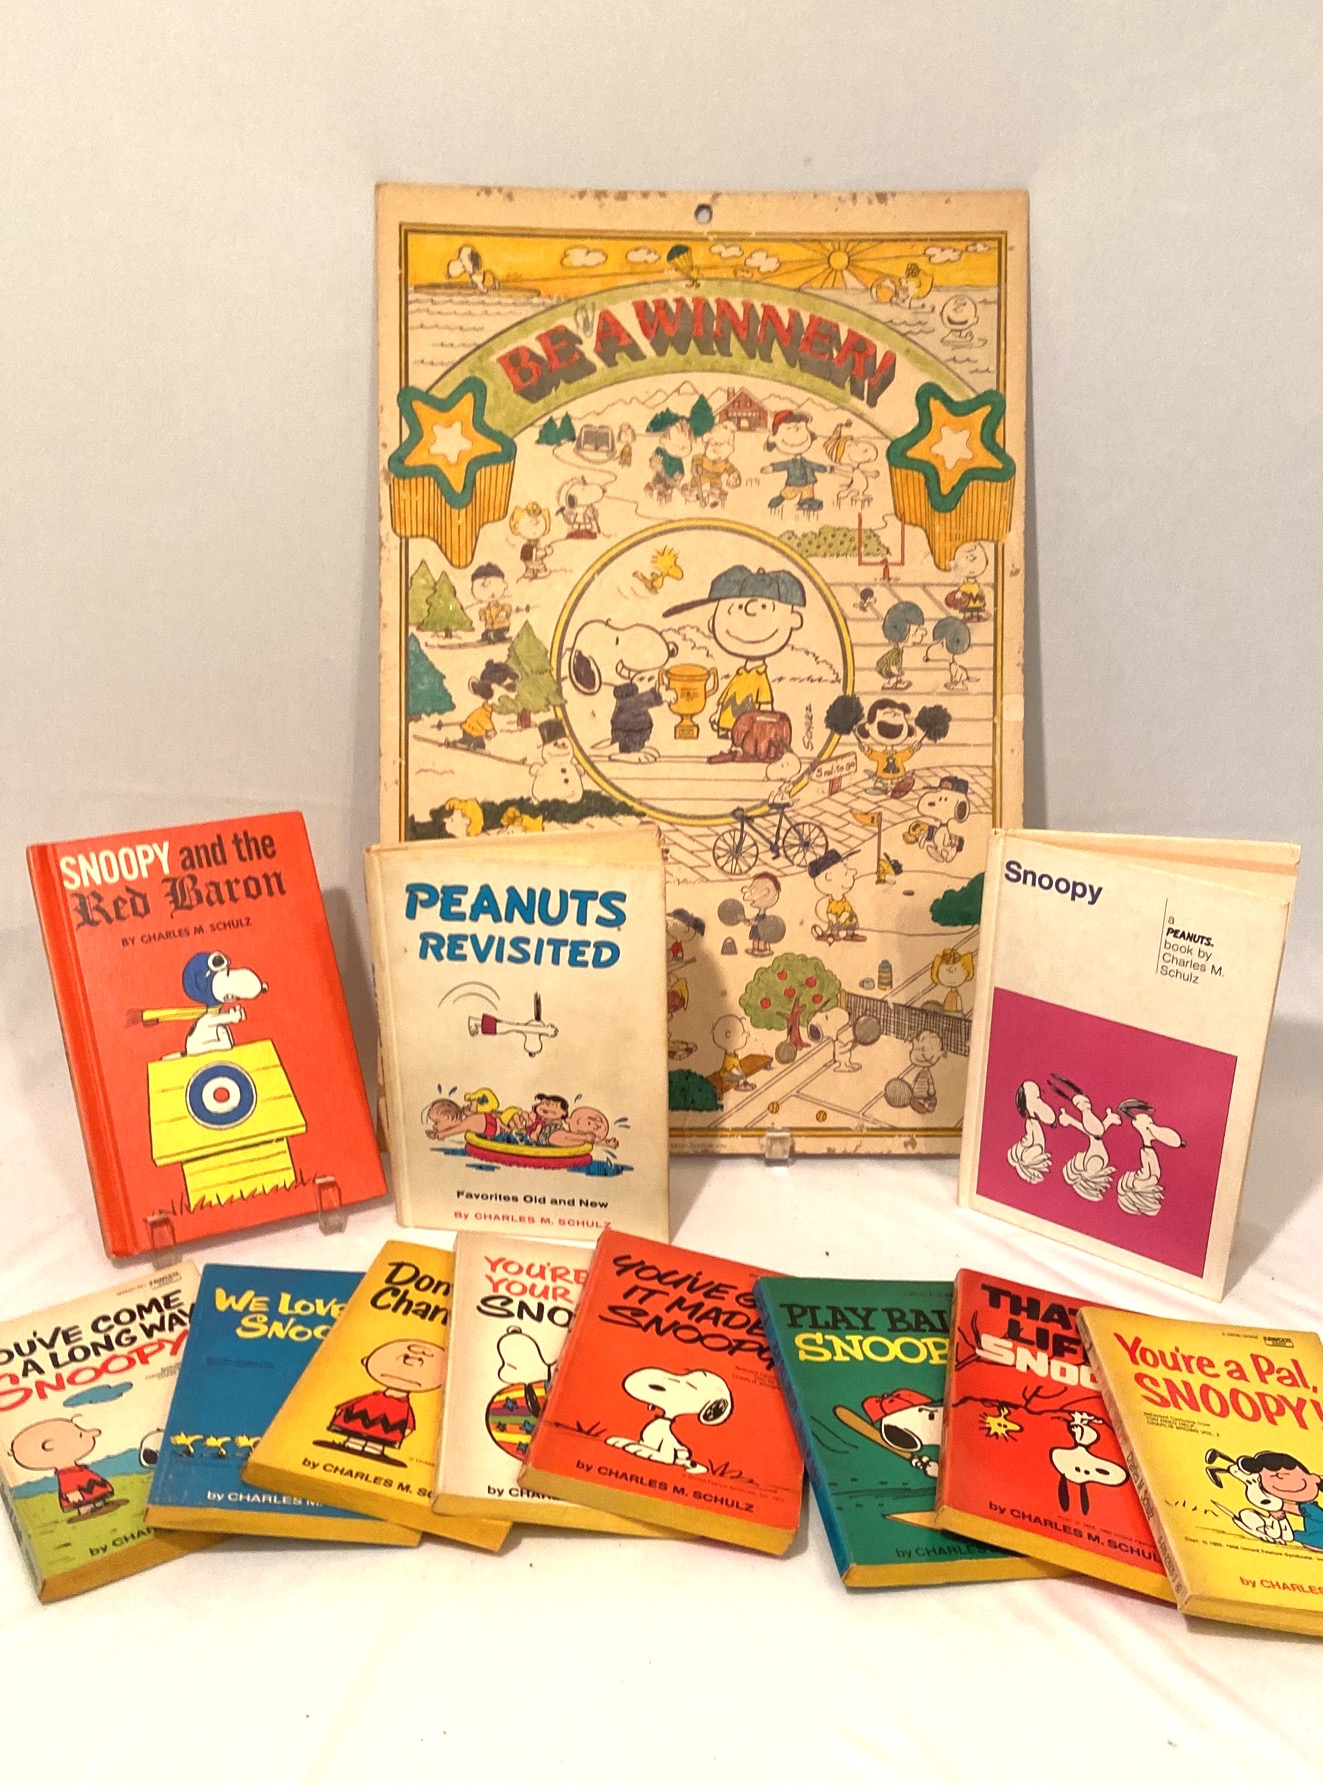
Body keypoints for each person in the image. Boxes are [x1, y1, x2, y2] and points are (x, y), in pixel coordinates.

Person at [663, 563, 804, 764]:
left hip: (748, 730)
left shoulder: (759, 677)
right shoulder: (741, 674)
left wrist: (766, 725)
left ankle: (742, 751)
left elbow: (765, 706)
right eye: (736, 608)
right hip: (731, 724)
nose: (751, 612)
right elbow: (727, 696)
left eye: (765, 607)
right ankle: (734, 749)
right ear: (712, 623)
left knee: (743, 743)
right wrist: (717, 713)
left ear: (793, 620)